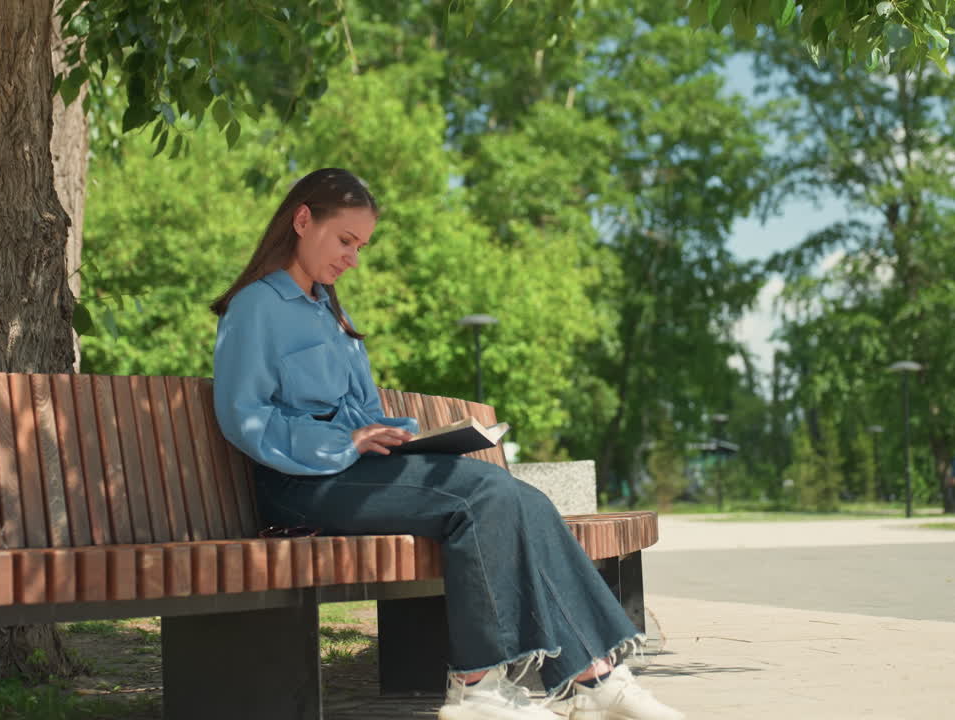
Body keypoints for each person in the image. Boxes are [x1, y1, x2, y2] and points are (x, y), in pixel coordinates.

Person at [210, 168, 684, 720]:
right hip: (299, 484)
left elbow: (360, 412)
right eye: (346, 240)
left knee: (520, 497)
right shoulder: (255, 307)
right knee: (483, 496)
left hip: (350, 476)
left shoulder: (331, 313)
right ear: (302, 220)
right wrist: (345, 438)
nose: (353, 258)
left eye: (361, 246)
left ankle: (597, 678)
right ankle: (477, 691)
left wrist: (407, 436)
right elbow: (244, 417)